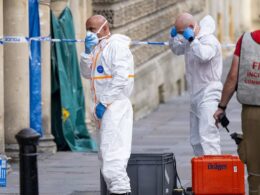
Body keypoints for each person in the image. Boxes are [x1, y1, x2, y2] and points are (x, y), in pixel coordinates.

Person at [80, 15, 134, 195]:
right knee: (106, 154)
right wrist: (86, 53)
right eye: (87, 29)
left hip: (115, 106)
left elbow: (121, 79)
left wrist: (104, 102)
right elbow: (87, 74)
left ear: (104, 28)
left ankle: (121, 191)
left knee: (113, 156)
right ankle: (118, 190)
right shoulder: (97, 49)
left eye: (92, 29)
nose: (89, 33)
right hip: (105, 108)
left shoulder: (116, 47)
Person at [169, 13, 223, 156]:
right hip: (195, 94)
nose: (182, 36)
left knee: (208, 137)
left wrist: (192, 40)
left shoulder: (209, 40)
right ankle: (202, 172)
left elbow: (204, 55)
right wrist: (173, 37)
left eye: (182, 33)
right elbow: (177, 49)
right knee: (195, 139)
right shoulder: (191, 40)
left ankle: (213, 173)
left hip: (209, 93)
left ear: (191, 28)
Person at [214, 30, 260, 195]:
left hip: (252, 112)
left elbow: (233, 77)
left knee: (254, 163)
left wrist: (222, 107)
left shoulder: (246, 40)